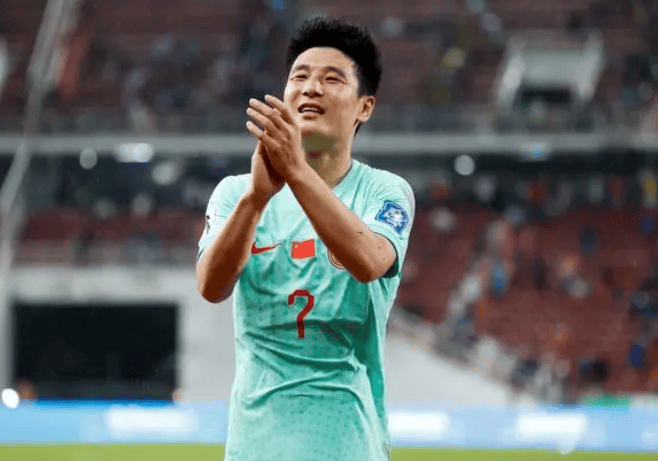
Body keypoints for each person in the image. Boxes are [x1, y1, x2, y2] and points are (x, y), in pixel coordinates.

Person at [196, 17, 415, 461]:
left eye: (332, 79)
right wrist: (256, 200)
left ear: (365, 107)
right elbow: (211, 287)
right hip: (253, 447)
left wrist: (295, 171)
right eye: (299, 77)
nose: (311, 88)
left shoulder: (384, 192)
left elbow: (369, 261)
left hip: (348, 445)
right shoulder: (237, 193)